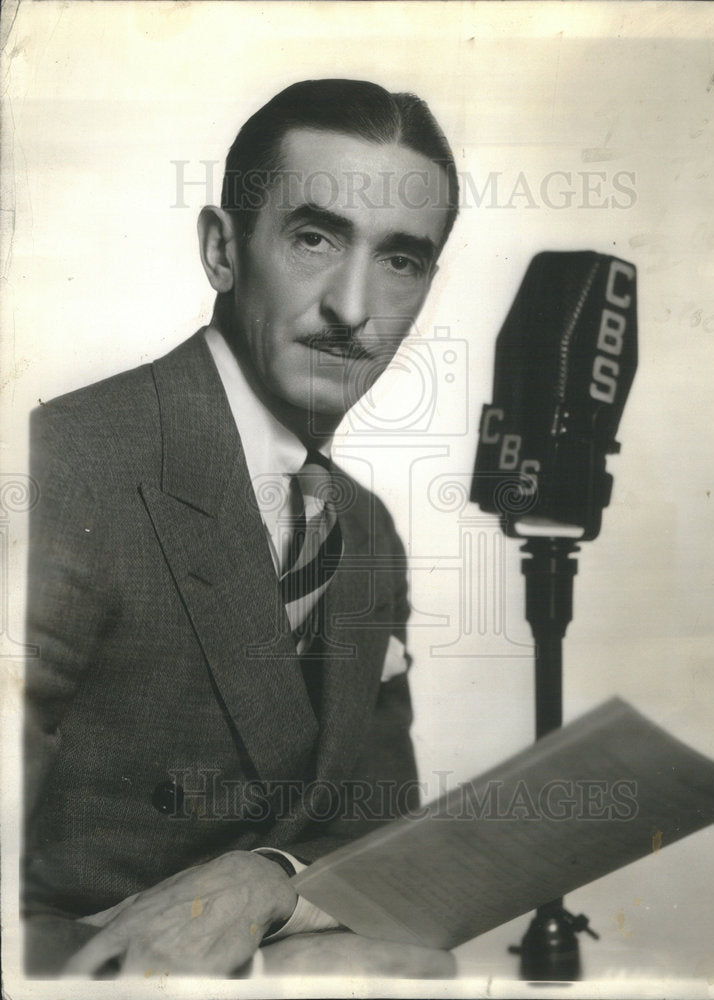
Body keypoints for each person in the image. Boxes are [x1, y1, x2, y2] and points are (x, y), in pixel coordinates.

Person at [23, 78, 459, 978]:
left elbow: (380, 848)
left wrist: (271, 881)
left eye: (400, 260)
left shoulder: (365, 534)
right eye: (314, 237)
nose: (351, 307)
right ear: (223, 250)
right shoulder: (62, 466)